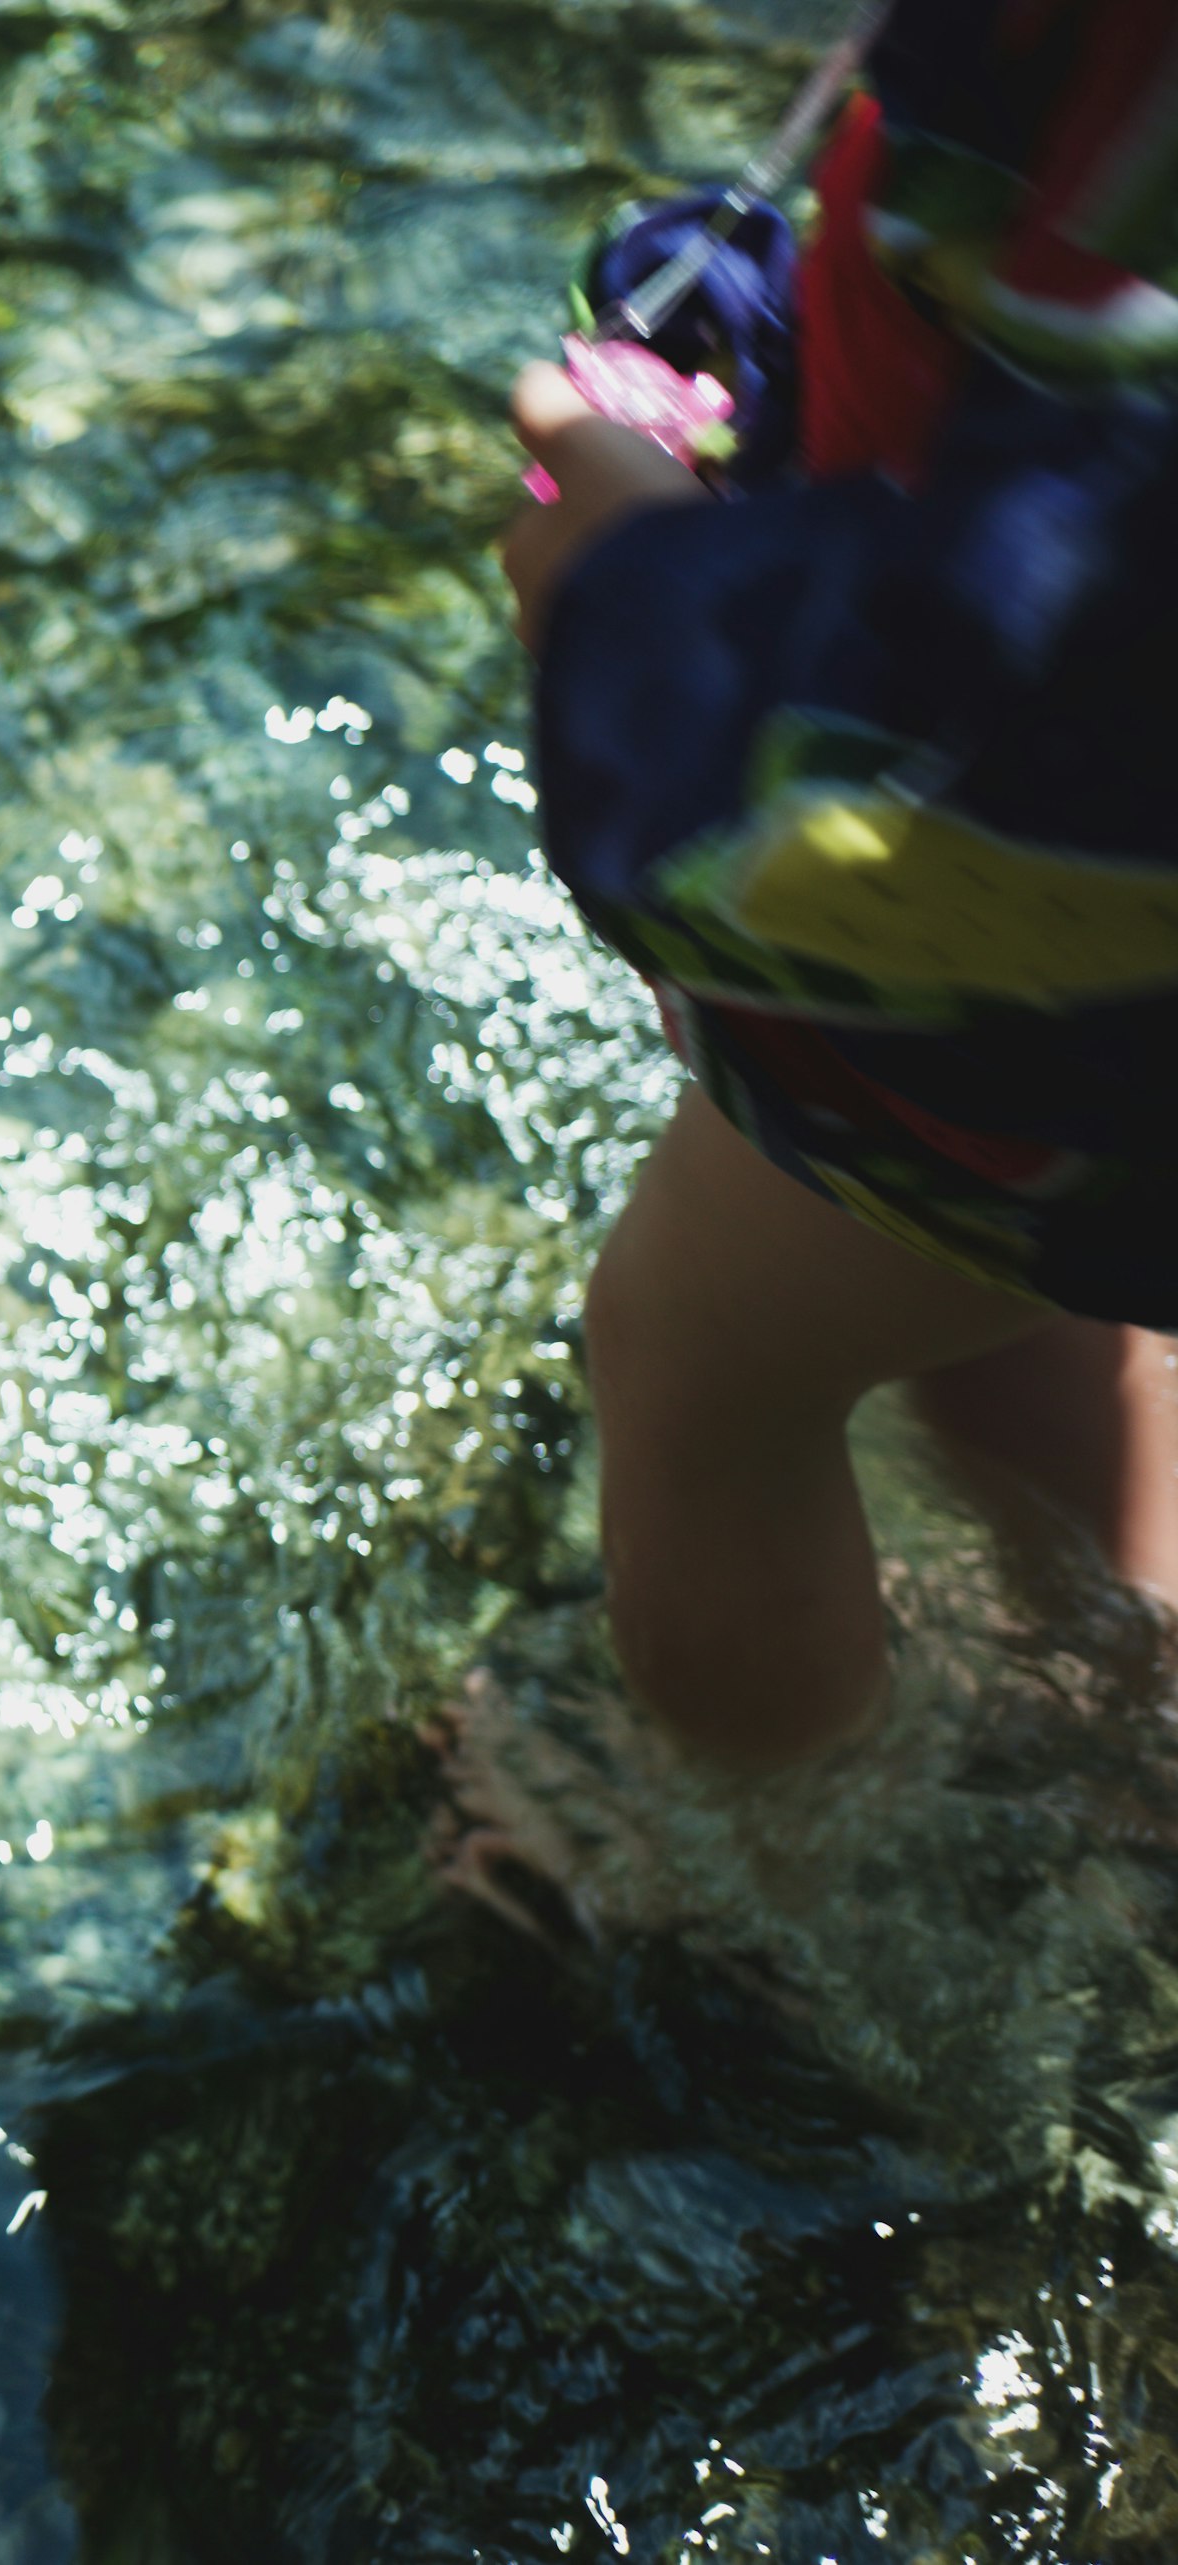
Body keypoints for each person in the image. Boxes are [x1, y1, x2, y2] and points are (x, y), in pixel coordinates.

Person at [502, 0, 1178, 1769]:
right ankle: (1125, 1718)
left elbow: (1064, 687)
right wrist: (811, 356)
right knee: (999, 1323)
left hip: (1052, 1035)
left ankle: (764, 1882)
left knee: (692, 1367)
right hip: (1076, 1090)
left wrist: (636, 571)